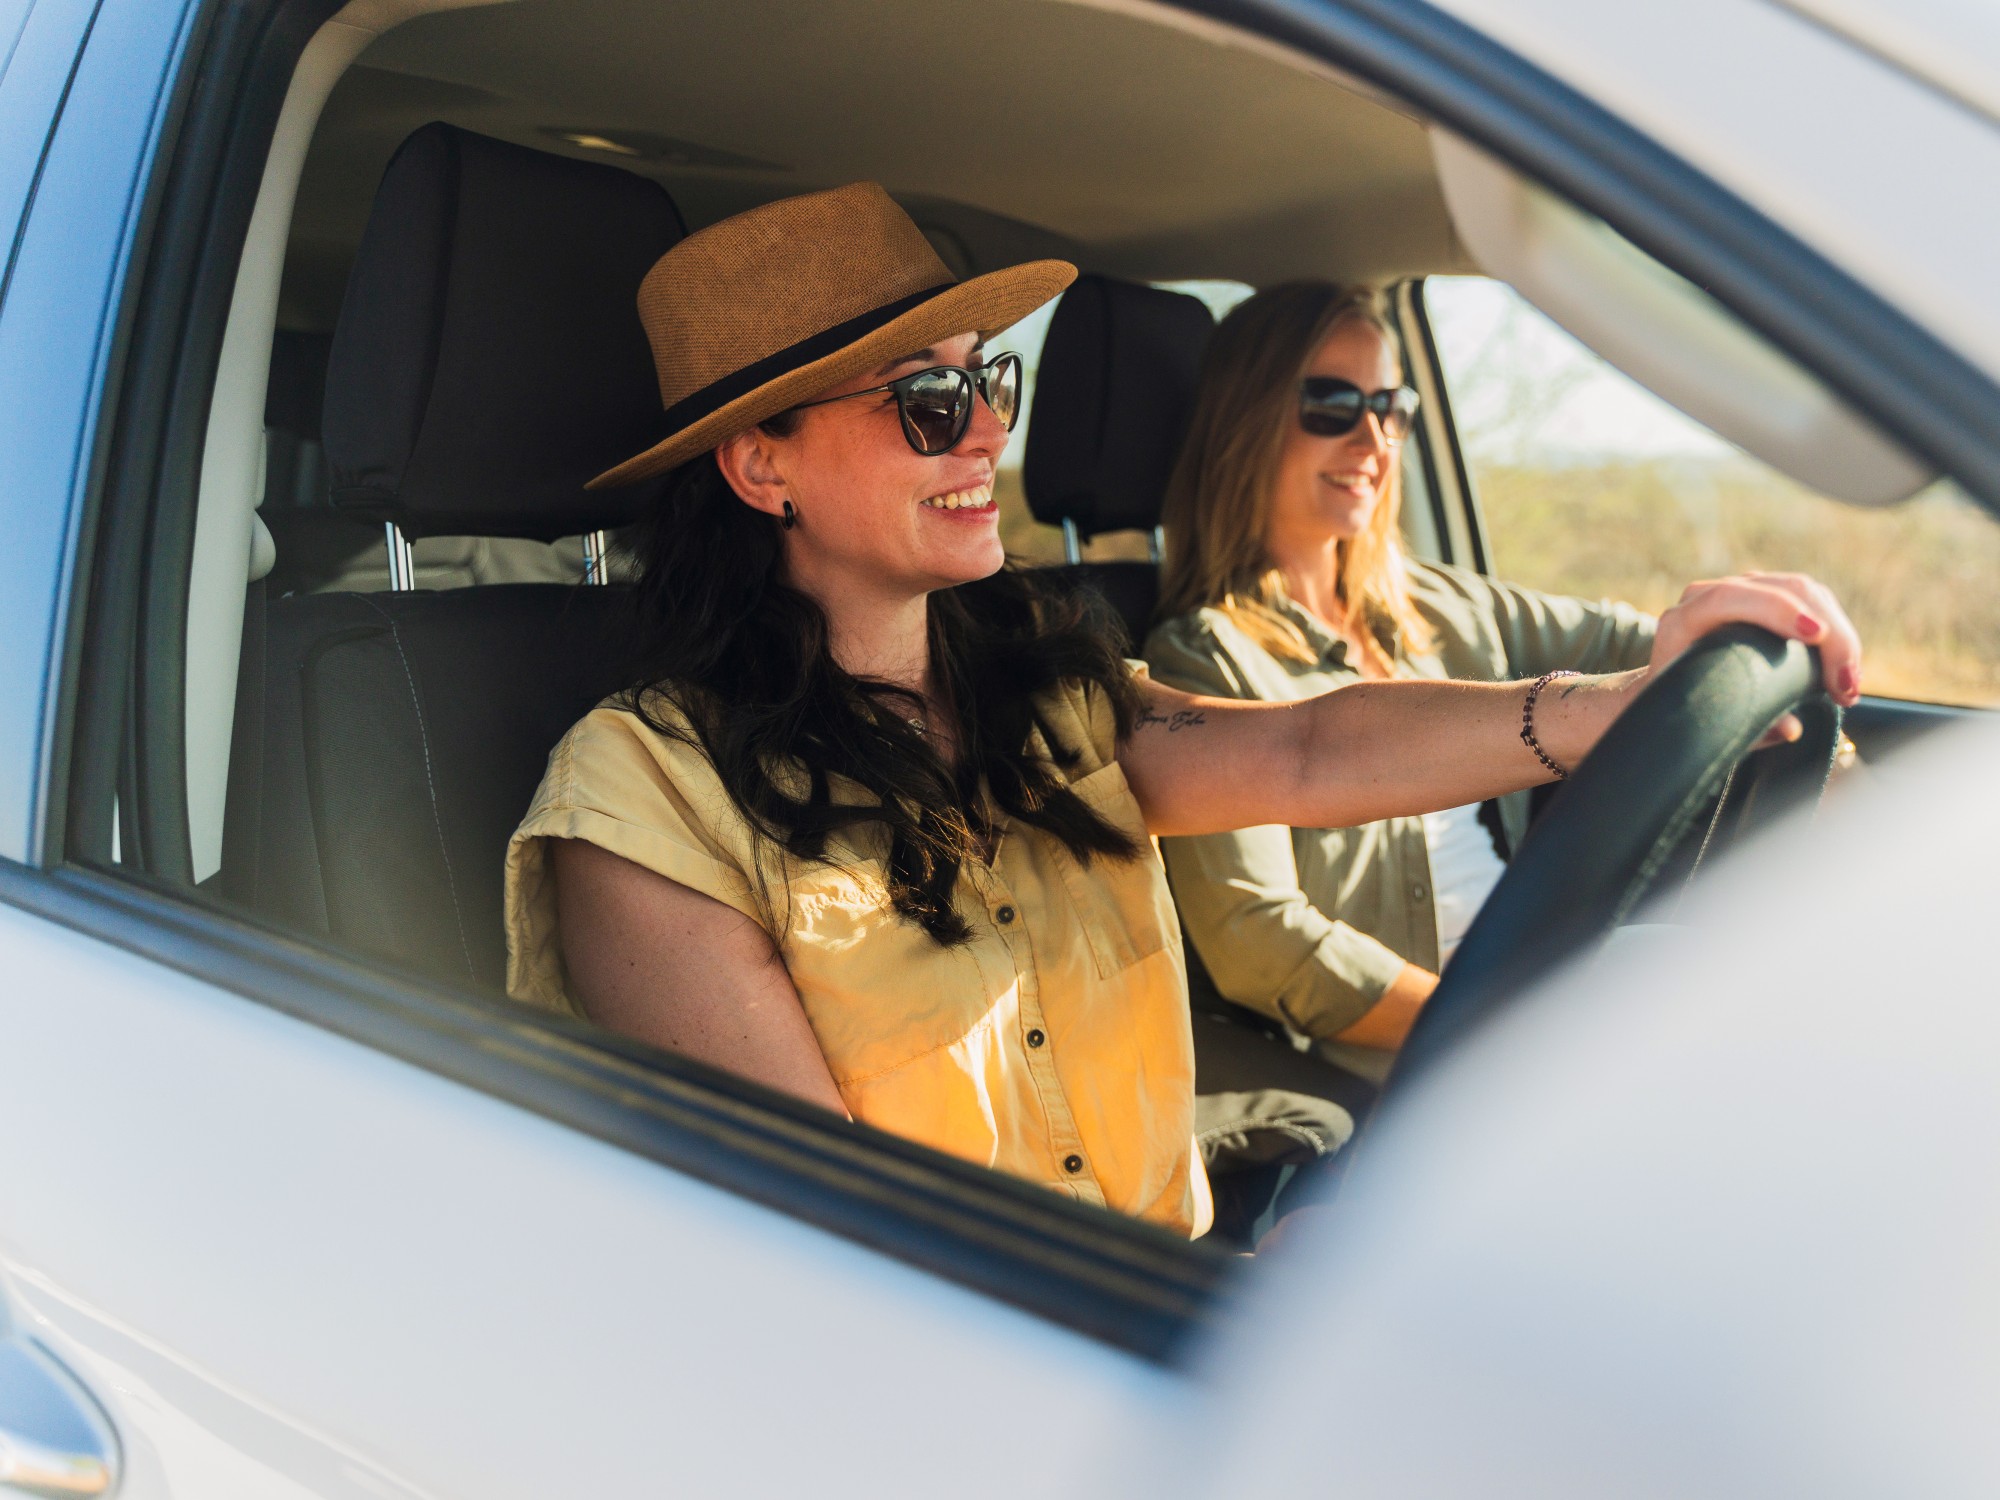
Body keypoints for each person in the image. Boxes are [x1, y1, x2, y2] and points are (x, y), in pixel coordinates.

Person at [502, 186, 1861, 1239]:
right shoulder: (643, 798)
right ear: (759, 464)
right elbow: (823, 1224)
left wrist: (1611, 708)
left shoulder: (1045, 692)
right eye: (928, 401)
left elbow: (1308, 744)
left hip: (1166, 1283)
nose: (986, 435)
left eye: (989, 383)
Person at [1144, 282, 1746, 1085]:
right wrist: (1489, 1027)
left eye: (1391, 406)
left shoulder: (1439, 604)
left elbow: (1629, 638)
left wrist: (1747, 632)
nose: (1374, 437)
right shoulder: (1204, 660)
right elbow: (1262, 938)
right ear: (1244, 420)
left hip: (1534, 977)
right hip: (1421, 1057)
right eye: (1331, 403)